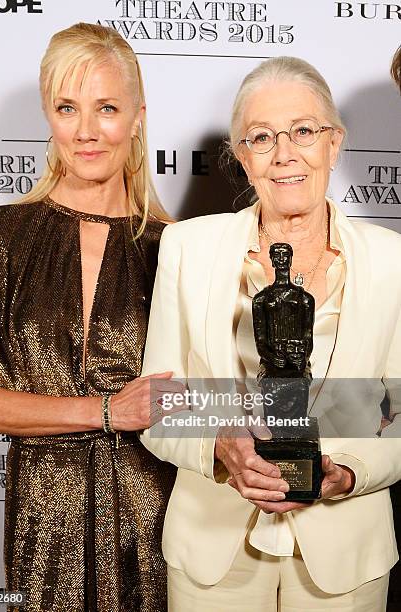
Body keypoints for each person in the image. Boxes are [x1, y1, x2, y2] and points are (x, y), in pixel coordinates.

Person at [140, 56, 401, 610]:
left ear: (334, 143)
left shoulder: (392, 260)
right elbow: (158, 402)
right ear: (242, 158)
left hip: (344, 555)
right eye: (262, 137)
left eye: (304, 131)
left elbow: (399, 408)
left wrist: (350, 473)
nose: (286, 154)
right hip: (213, 551)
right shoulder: (188, 248)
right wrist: (219, 446)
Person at [0, 22, 177, 612]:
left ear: (137, 117)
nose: (86, 131)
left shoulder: (179, 248)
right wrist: (105, 411)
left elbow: (207, 398)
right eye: (66, 107)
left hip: (158, 521)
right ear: (47, 115)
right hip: (41, 527)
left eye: (106, 108)